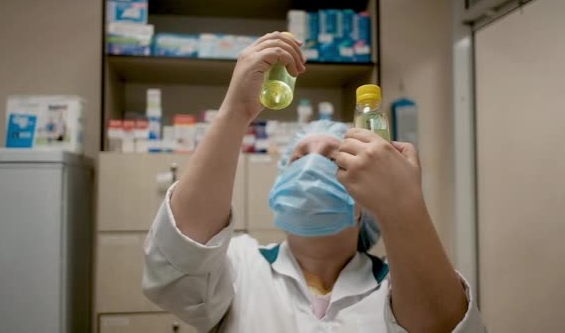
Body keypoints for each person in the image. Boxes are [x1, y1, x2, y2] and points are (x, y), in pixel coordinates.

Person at [142, 32, 485, 332]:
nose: (309, 165)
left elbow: (446, 328)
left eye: (332, 158)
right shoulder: (241, 265)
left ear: (364, 204)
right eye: (298, 155)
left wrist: (403, 205)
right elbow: (177, 265)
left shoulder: (403, 283)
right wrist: (235, 112)